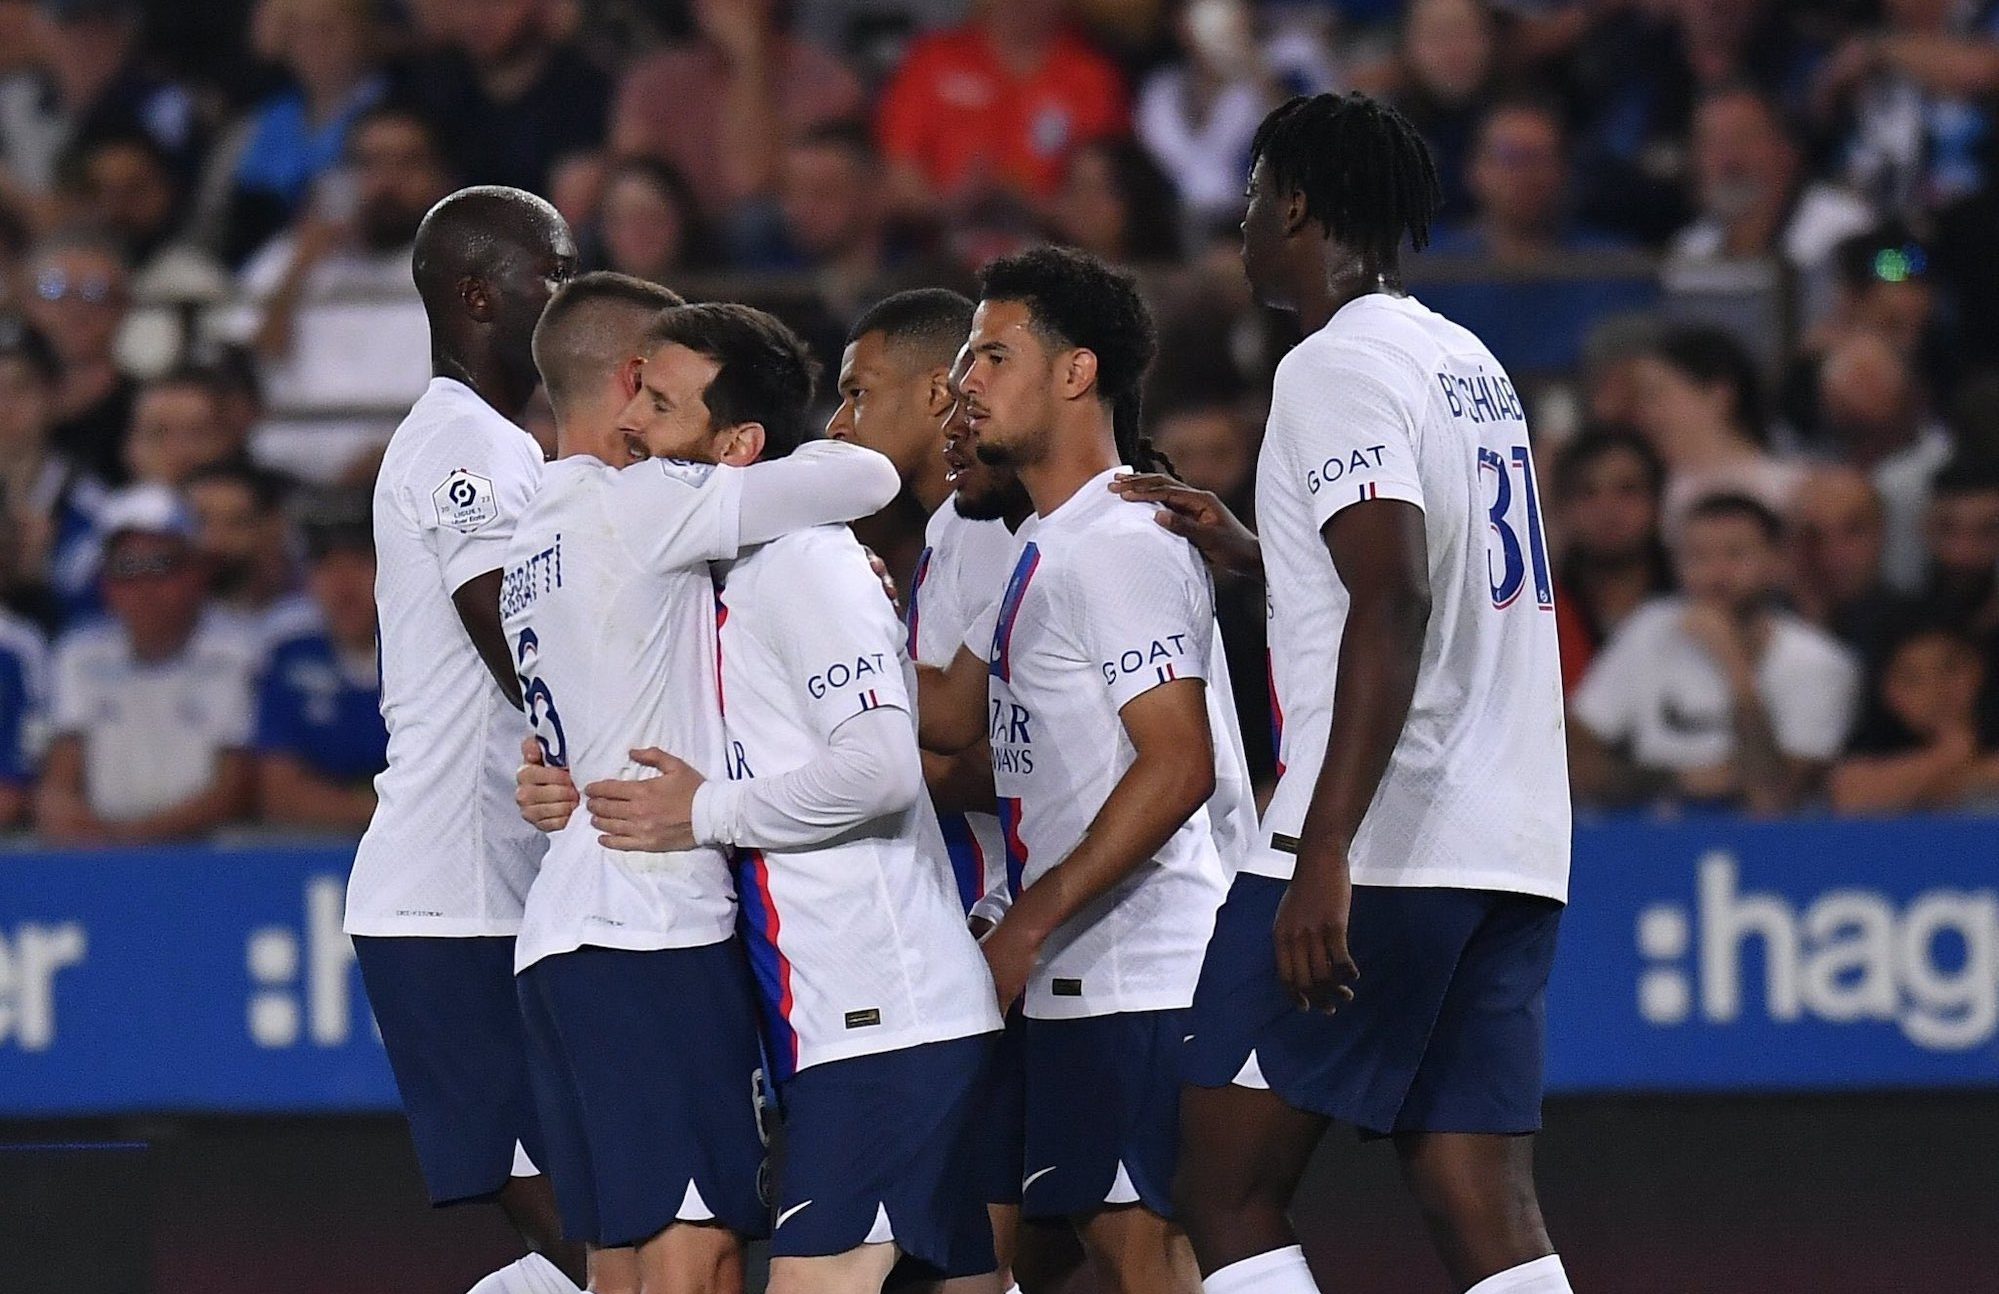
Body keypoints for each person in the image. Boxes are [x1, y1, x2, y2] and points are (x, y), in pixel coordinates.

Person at [1107, 91, 1574, 1294]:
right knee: (1479, 1195)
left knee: (1219, 1183)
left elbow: (1394, 596)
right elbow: (1426, 576)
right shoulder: (1465, 360)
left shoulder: (1332, 363)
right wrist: (1268, 553)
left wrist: (1324, 849)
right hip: (1510, 845)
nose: (1242, 222)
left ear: (1297, 204)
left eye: (1254, 194)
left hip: (1381, 842)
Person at [524, 302, 1003, 1294]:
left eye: (661, 406)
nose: (631, 426)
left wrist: (702, 812)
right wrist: (567, 767)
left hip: (883, 1015)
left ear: (737, 447)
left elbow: (880, 769)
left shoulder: (805, 564)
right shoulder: (705, 571)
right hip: (827, 1023)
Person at [917, 246, 1247, 1294]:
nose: (967, 380)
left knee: (1145, 1256)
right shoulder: (1050, 541)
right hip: (1088, 968)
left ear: (1076, 372)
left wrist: (1025, 922)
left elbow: (1178, 764)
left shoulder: (1117, 543)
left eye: (993, 355)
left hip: (1141, 966)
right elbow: (958, 725)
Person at [341, 183, 586, 1294]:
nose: (569, 297)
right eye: (554, 274)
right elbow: (513, 634)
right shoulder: (462, 441)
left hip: (508, 875)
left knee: (599, 1220)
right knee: (584, 1226)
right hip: (454, 888)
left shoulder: (508, 445)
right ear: (480, 296)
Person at [1571, 493, 1862, 814]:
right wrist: (1677, 779)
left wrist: (1733, 664)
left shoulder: (1820, 663)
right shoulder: (1650, 628)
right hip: (1647, 829)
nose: (1716, 573)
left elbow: (1772, 799)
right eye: (1698, 556)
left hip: (1758, 841)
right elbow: (1573, 762)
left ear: (1777, 561)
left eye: (1735, 554)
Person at [221, 104, 457, 483]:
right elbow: (253, 357)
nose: (387, 183)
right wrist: (302, 263)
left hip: (410, 474)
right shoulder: (292, 256)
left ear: (441, 178)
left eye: (407, 164)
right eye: (370, 164)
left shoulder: (464, 266)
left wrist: (393, 456)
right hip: (280, 474)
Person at [35, 485, 259, 844]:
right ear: (106, 583)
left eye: (161, 565)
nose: (144, 584)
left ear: (197, 571)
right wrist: (88, 832)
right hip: (103, 850)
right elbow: (58, 784)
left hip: (208, 850)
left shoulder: (241, 653)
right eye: (126, 568)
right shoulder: (79, 655)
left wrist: (135, 842)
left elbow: (234, 788)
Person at [609, 0, 864, 226]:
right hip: (681, 238)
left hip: (777, 244)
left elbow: (750, 184)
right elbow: (634, 177)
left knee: (753, 222)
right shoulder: (654, 81)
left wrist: (749, 60)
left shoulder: (824, 81)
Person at [876, 0, 1128, 217]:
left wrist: (1027, 202)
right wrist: (950, 204)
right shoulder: (933, 59)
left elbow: (1106, 195)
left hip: (1054, 244)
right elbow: (898, 168)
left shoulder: (1093, 77)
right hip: (940, 239)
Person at [1666, 86, 1876, 329]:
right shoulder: (1689, 252)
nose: (1729, 161)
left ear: (1786, 149)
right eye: (1712, 144)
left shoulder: (1845, 223)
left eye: (1743, 138)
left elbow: (1904, 268)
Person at [823, 288, 971, 597]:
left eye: (858, 394)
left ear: (937, 392)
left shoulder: (994, 537)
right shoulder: (947, 532)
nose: (836, 426)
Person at [254, 493, 387, 830]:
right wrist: (382, 812)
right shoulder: (291, 661)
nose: (344, 582)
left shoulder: (431, 658)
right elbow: (279, 792)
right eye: (326, 564)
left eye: (361, 561)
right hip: (315, 845)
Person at [220, 0, 388, 265]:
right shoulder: (261, 121)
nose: (312, 44)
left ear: (363, 33)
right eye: (299, 32)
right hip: (260, 265)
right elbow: (216, 214)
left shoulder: (392, 114)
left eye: (326, 29)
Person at [394, 0, 608, 199]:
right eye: (467, 4)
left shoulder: (582, 87)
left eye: (496, 4)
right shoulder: (434, 82)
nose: (478, 17)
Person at [1626, 323, 1804, 537]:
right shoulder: (1645, 498)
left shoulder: (1791, 490)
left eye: (1656, 394)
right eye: (1642, 399)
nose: (1646, 412)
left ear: (1718, 394)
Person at [0, 320, 107, 632]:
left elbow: (97, 627)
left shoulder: (92, 507)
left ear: (55, 395)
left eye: (20, 388)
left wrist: (37, 578)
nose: (4, 406)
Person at [1552, 429, 1675, 693]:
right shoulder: (1540, 617)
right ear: (1562, 508)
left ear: (1658, 502)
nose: (1607, 509)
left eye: (1627, 490)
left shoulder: (1689, 611)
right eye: (1587, 493)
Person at [1830, 622, 1999, 814]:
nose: (1936, 691)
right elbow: (1852, 798)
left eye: (1950, 669)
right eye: (1912, 679)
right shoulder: (1872, 745)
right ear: (1886, 691)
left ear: (1980, 668)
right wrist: (1950, 753)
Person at [21, 229, 137, 485]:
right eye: (53, 290)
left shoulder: (143, 410)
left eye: (96, 293)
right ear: (25, 301)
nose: (75, 310)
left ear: (125, 305)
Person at [185, 461, 320, 658]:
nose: (213, 540)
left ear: (275, 527)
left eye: (236, 523)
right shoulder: (171, 615)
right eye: (200, 522)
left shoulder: (318, 606)